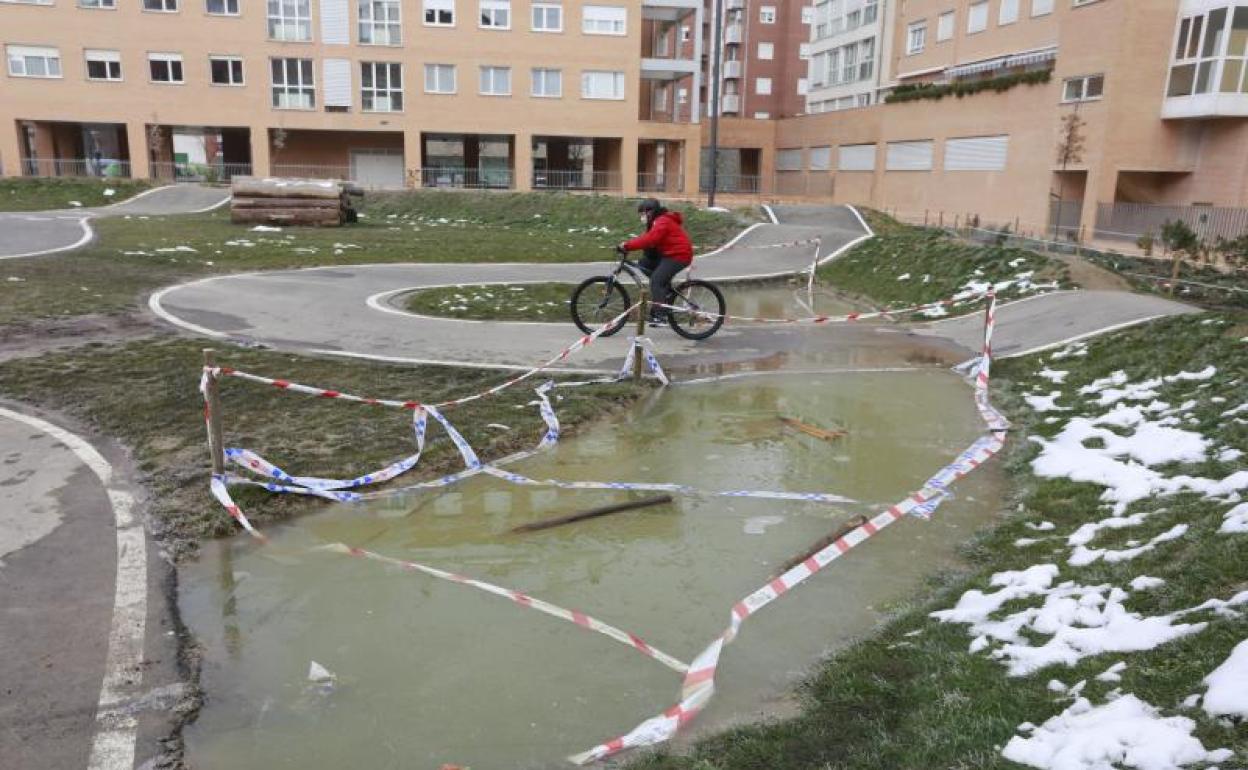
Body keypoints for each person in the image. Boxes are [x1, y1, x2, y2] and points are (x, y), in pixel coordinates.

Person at [617, 198, 694, 324]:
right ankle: (665, 294)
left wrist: (627, 246)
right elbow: (649, 241)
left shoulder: (662, 221)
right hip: (669, 254)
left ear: (650, 212)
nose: (641, 217)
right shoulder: (657, 222)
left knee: (656, 281)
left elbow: (650, 240)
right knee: (644, 264)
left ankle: (660, 315)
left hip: (679, 255)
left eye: (642, 214)